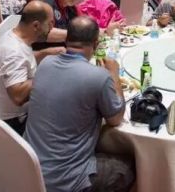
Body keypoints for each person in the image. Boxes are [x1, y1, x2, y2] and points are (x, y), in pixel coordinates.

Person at [24, 16, 134, 192]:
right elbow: (116, 119)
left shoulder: (45, 64)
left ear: (67, 40)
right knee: (129, 166)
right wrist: (114, 73)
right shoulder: (98, 76)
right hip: (66, 180)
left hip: (29, 170)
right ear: (96, 44)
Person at [0, 1, 64, 135]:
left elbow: (24, 60)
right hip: (15, 123)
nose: (52, 28)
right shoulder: (12, 52)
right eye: (50, 23)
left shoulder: (16, 35)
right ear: (36, 25)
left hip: (20, 114)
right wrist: (51, 71)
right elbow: (18, 96)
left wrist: (45, 53)